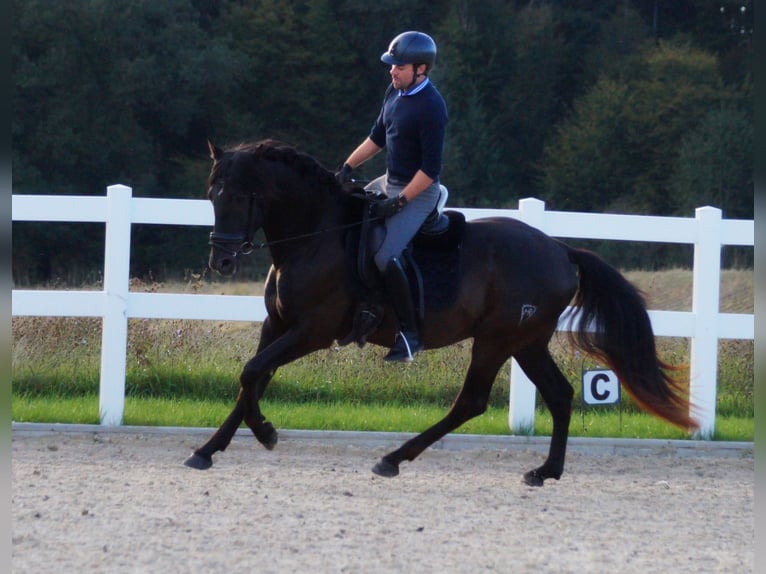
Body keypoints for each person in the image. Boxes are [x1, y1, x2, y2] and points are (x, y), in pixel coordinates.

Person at [336, 31, 448, 362]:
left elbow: (430, 169)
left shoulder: (432, 108)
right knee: (345, 217)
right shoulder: (394, 92)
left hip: (420, 191)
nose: (392, 71)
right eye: (392, 65)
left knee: (386, 257)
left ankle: (411, 334)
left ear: (422, 69)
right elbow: (377, 138)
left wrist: (399, 203)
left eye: (399, 66)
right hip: (389, 180)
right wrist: (346, 166)